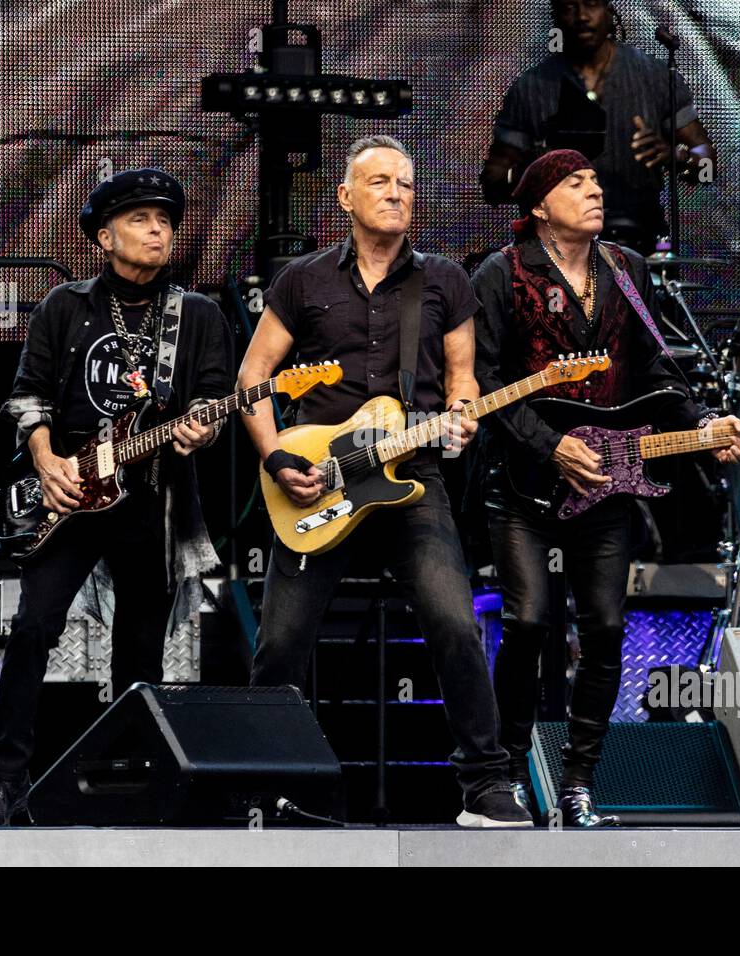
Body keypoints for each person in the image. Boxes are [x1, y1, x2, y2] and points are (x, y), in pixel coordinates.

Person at [237, 135, 532, 828]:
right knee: (280, 641)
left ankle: (486, 787)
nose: (397, 191)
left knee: (456, 622)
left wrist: (463, 421)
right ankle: (259, 786)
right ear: (345, 197)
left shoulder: (444, 282)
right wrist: (278, 457)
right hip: (317, 472)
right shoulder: (303, 279)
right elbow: (253, 379)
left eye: (405, 182)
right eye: (379, 181)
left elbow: (463, 384)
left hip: (411, 473)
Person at [472, 150, 740, 826]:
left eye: (597, 178)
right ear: (539, 206)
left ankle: (579, 782)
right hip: (525, 482)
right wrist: (549, 446)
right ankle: (508, 769)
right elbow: (481, 387)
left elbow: (655, 369)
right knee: (529, 621)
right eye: (575, 183)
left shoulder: (627, 270)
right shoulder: (501, 274)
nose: (594, 188)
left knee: (605, 629)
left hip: (610, 483)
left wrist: (704, 426)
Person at [0, 169, 231, 826]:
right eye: (141, 220)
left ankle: (126, 792)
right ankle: (4, 785)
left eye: (166, 222)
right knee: (32, 631)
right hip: (72, 497)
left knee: (139, 655)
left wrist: (203, 429)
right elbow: (27, 397)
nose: (158, 231)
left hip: (154, 503)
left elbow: (213, 402)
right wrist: (47, 459)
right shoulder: (65, 305)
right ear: (104, 237)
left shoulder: (196, 316)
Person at [480, 0, 715, 255]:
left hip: (641, 247)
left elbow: (707, 167)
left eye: (591, 4)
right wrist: (536, 170)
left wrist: (677, 157)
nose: (582, 16)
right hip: (555, 251)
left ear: (609, 11)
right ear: (556, 17)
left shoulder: (655, 76)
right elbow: (493, 184)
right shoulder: (531, 88)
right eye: (570, 7)